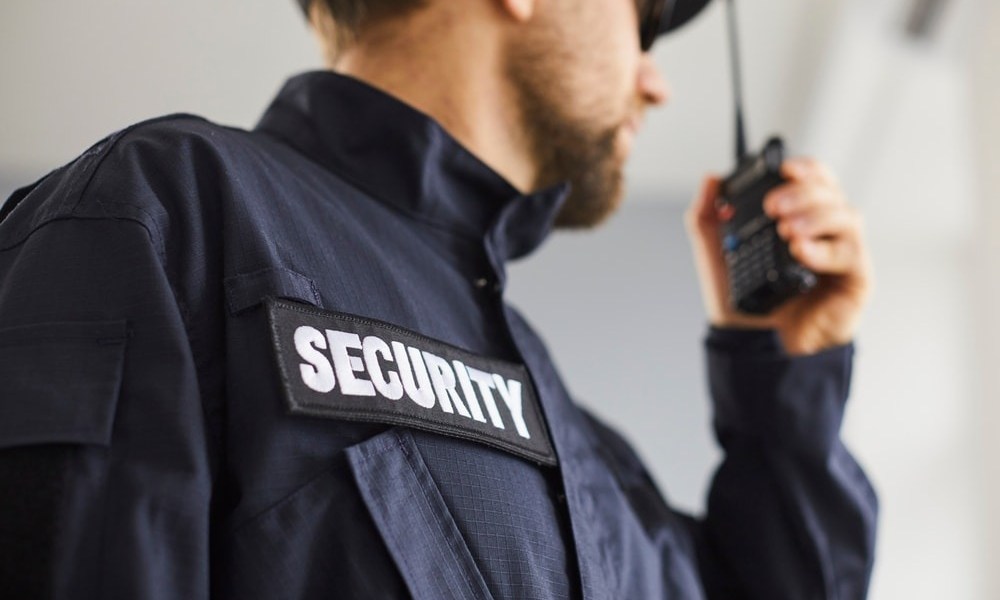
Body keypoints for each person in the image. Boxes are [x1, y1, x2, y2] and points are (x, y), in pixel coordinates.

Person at [0, 0, 877, 598]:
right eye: (641, 21)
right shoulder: (168, 211)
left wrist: (782, 375)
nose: (655, 81)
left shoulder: (583, 450)